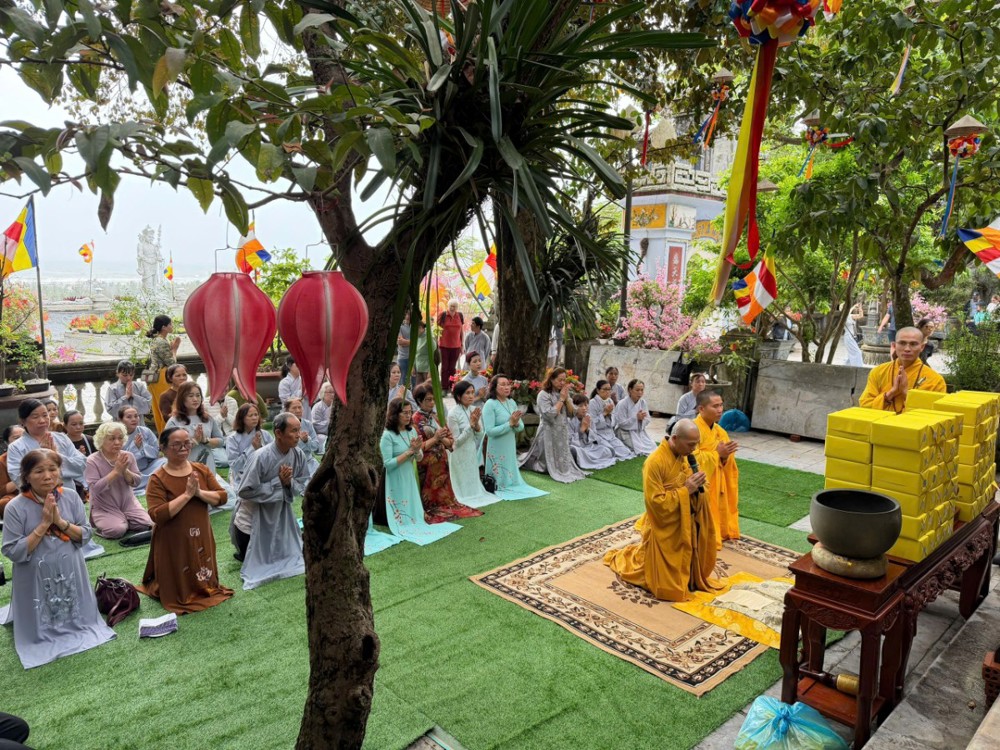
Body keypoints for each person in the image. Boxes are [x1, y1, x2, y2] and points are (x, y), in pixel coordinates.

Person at [1, 449, 116, 668]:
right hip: (34, 574)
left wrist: (60, 522)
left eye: (52, 469)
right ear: (26, 476)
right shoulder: (15, 507)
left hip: (71, 566)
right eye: (39, 471)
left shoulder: (71, 496)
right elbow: (12, 551)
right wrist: (44, 524)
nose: (47, 476)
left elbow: (86, 534)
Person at [603, 419, 717, 602]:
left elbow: (698, 486)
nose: (694, 449)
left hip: (684, 520)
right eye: (690, 444)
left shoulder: (686, 456)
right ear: (675, 438)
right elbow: (655, 502)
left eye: (696, 444)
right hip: (663, 524)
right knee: (667, 587)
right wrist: (686, 491)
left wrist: (700, 487)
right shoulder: (654, 462)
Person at [138, 428, 234, 614]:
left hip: (202, 531)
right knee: (181, 568)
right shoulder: (157, 478)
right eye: (176, 445)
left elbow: (222, 497)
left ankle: (203, 586)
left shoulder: (201, 470)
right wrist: (187, 495)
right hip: (173, 538)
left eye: (187, 443)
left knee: (201, 562)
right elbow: (157, 515)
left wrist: (198, 493)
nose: (183, 448)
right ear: (163, 448)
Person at [232, 413, 317, 588]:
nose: (298, 435)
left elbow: (301, 484)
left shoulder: (298, 454)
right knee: (263, 561)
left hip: (281, 519)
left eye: (299, 430)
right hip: (251, 524)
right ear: (278, 433)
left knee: (294, 556)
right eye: (293, 431)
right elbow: (244, 491)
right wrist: (278, 483)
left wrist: (288, 483)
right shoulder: (260, 457)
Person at [380, 398, 462, 544]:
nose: (408, 416)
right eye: (404, 413)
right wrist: (409, 452)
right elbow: (388, 464)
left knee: (413, 510)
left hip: (409, 476)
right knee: (401, 514)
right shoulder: (388, 435)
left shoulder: (411, 432)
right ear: (394, 414)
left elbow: (419, 458)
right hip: (395, 478)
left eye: (409, 412)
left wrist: (417, 450)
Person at [412, 383, 483, 521]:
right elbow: (417, 447)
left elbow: (451, 441)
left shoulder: (436, 417)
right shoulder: (415, 420)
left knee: (445, 497)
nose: (432, 403)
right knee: (430, 498)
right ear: (419, 401)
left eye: (433, 399)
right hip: (427, 462)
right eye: (428, 400)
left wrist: (441, 439)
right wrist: (436, 438)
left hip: (442, 460)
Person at [482, 375, 548, 500]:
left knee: (511, 473)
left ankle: (511, 484)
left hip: (509, 444)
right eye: (502, 385)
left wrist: (516, 423)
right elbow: (489, 431)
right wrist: (510, 424)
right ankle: (497, 485)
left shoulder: (511, 402)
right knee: (498, 476)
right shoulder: (490, 404)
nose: (507, 387)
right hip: (496, 446)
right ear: (494, 387)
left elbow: (520, 427)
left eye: (508, 384)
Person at [519, 367, 588, 483]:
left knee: (562, 465)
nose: (562, 383)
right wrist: (561, 399)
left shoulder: (564, 394)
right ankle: (528, 461)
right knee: (545, 467)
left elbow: (572, 413)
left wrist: (567, 399)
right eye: (560, 380)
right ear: (551, 379)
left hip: (561, 432)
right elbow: (549, 415)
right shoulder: (543, 395)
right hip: (547, 432)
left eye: (564, 380)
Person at [85, 422, 152, 539]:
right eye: (112, 439)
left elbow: (137, 482)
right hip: (105, 506)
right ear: (101, 440)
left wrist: (125, 470)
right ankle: (113, 524)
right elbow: (95, 489)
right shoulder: (92, 460)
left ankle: (124, 519)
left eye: (120, 438)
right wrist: (116, 471)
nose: (117, 442)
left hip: (128, 503)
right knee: (116, 530)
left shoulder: (128, 456)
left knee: (146, 524)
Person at [859, 326, 947, 413]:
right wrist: (891, 393)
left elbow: (934, 414)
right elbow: (865, 405)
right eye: (902, 343)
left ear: (922, 347)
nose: (907, 349)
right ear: (894, 345)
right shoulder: (878, 372)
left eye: (913, 344)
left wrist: (906, 392)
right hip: (879, 421)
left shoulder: (935, 380)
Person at [694, 390, 741, 549]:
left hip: (717, 479)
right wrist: (717, 454)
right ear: (701, 409)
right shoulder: (692, 430)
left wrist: (725, 457)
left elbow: (728, 462)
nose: (720, 410)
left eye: (721, 405)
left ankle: (718, 530)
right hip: (700, 483)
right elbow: (689, 458)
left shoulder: (721, 432)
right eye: (715, 406)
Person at [7, 399, 87, 491]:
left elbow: (81, 465)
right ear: (23, 421)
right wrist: (47, 458)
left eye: (45, 415)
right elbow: (18, 478)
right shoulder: (16, 447)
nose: (42, 420)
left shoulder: (62, 438)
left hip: (67, 494)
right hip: (35, 497)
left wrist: (57, 456)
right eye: (35, 417)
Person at [447, 381, 499, 508]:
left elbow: (480, 436)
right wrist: (470, 426)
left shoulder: (473, 410)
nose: (471, 396)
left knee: (471, 478)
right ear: (458, 396)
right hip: (458, 453)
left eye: (472, 392)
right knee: (460, 483)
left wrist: (476, 427)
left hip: (470, 450)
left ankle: (474, 493)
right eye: (467, 393)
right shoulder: (452, 414)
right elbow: (455, 442)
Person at [165, 382, 225, 472]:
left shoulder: (208, 418)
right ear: (182, 398)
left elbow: (221, 441)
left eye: (198, 395)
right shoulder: (174, 421)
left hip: (207, 468)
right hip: (182, 469)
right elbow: (167, 448)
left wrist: (205, 440)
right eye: (191, 396)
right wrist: (194, 441)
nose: (195, 399)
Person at [146, 314, 182, 432]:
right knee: (166, 408)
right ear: (164, 327)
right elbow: (172, 363)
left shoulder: (158, 339)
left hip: (155, 376)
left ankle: (164, 434)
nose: (172, 326)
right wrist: (175, 349)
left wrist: (171, 349)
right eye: (170, 324)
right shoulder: (161, 342)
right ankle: (166, 435)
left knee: (160, 408)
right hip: (161, 376)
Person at [227, 403, 274, 488]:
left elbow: (274, 456)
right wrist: (252, 448)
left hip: (263, 475)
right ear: (242, 418)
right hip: (241, 477)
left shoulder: (265, 435)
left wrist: (261, 449)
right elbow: (234, 465)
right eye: (250, 415)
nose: (254, 418)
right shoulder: (232, 438)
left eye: (256, 415)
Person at [119, 406, 165, 491]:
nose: (134, 419)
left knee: (165, 461)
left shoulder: (146, 431)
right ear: (121, 420)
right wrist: (134, 447)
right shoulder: (118, 435)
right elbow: (118, 458)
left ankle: (149, 481)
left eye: (136, 416)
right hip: (129, 471)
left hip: (148, 467)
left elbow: (156, 452)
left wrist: (143, 447)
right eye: (129, 417)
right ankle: (143, 483)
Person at [587, 381, 634, 461]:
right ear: (598, 390)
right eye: (605, 389)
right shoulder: (592, 403)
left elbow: (614, 420)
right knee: (608, 452)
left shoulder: (610, 401)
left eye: (609, 389)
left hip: (609, 433)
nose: (607, 392)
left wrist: (610, 415)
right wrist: (604, 413)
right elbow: (592, 424)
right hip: (598, 434)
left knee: (625, 451)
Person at [567, 393, 616, 470]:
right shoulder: (569, 420)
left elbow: (595, 437)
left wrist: (587, 430)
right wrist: (582, 430)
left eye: (586, 405)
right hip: (579, 447)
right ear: (574, 407)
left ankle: (585, 458)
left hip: (589, 447)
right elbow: (569, 441)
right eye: (580, 406)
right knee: (574, 451)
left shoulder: (588, 417)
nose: (584, 408)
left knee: (607, 450)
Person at [612, 380, 657, 456]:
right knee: (636, 448)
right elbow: (621, 423)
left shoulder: (643, 402)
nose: (640, 392)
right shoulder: (622, 403)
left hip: (638, 431)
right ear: (630, 390)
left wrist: (642, 419)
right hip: (624, 432)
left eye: (642, 390)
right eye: (637, 390)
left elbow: (647, 419)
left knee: (653, 446)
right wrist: (636, 418)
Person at [437, 300, 465, 388]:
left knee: (452, 367)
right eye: (451, 306)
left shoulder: (459, 316)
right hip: (444, 346)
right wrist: (436, 342)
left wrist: (462, 345)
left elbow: (461, 331)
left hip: (456, 346)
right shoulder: (443, 315)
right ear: (448, 306)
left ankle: (452, 385)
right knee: (445, 367)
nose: (452, 308)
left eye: (454, 306)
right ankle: (444, 386)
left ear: (457, 307)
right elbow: (437, 330)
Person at [0, 426, 24, 518]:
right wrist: (24, 476)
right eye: (16, 438)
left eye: (25, 437)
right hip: (14, 496)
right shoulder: (2, 461)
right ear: (7, 442)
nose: (22, 441)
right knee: (5, 503)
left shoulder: (38, 455)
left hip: (40, 494)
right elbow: (2, 490)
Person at [278, 355, 311, 421]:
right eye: (298, 365)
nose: (301, 367)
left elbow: (313, 397)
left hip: (306, 412)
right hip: (291, 415)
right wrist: (302, 390)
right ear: (289, 366)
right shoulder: (284, 382)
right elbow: (286, 401)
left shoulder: (304, 380)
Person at [413, 320, 437, 385]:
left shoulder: (429, 338)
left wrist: (430, 371)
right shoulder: (417, 337)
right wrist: (413, 366)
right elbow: (415, 354)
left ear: (421, 328)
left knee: (428, 388)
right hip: (418, 368)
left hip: (427, 370)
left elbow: (434, 355)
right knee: (418, 388)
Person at [842, 302, 865, 367]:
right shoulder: (843, 316)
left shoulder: (850, 316)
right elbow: (846, 313)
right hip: (848, 337)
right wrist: (854, 306)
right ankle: (858, 367)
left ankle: (847, 367)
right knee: (857, 352)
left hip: (852, 337)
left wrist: (860, 308)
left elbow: (861, 315)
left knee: (852, 353)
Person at [396, 310, 412, 388]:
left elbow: (419, 341)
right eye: (406, 314)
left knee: (413, 382)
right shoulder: (400, 326)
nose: (408, 316)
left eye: (409, 314)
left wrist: (407, 342)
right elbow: (400, 342)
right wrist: (413, 341)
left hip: (414, 357)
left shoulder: (415, 326)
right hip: (403, 357)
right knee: (402, 382)